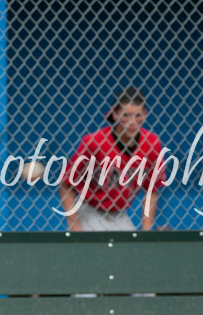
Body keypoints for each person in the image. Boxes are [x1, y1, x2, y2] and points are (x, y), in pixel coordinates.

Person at [59, 86, 164, 231]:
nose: (132, 122)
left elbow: (151, 190)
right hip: (89, 208)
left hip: (120, 214)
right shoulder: (95, 142)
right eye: (126, 115)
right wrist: (74, 224)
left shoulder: (152, 144)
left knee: (134, 251)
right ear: (115, 114)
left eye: (138, 115)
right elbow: (65, 184)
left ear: (145, 115)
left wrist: (146, 230)